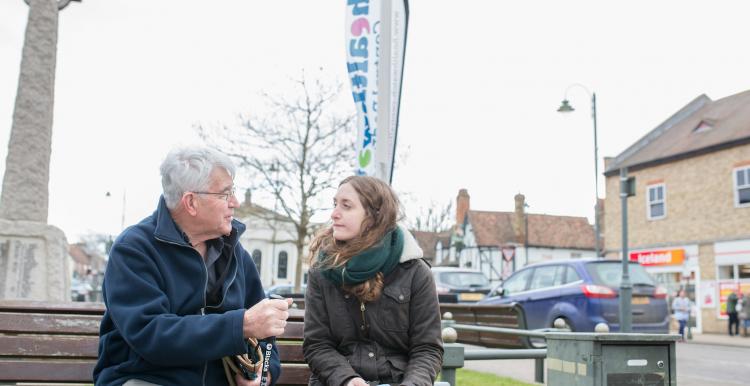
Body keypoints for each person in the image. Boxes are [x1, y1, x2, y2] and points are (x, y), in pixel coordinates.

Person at [94, 146, 292, 386]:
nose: (236, 202)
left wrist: (264, 374)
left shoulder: (235, 253)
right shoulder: (134, 249)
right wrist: (240, 325)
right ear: (191, 202)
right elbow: (151, 336)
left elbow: (264, 334)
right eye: (225, 194)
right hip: (148, 380)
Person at [302, 176, 444, 386]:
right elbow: (317, 345)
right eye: (335, 204)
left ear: (374, 215)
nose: (334, 213)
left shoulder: (414, 271)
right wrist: (348, 380)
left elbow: (427, 349)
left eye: (346, 206)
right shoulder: (322, 271)